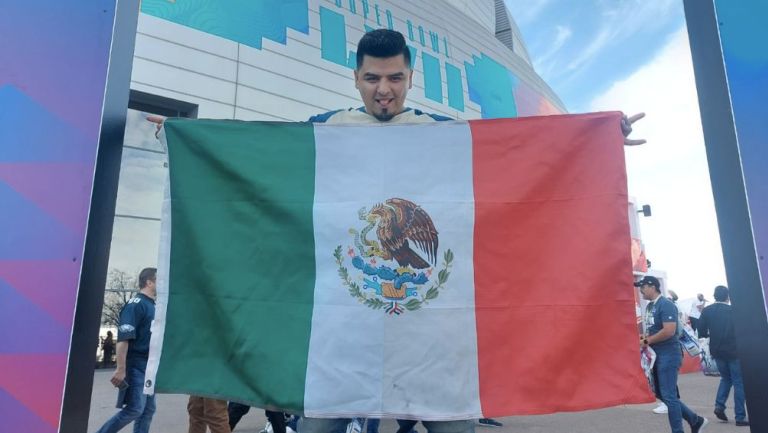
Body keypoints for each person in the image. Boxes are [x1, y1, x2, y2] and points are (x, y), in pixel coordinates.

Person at [148, 27, 644, 433]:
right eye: (371, 78)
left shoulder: (442, 134)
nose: (383, 89)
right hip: (341, 339)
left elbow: (529, 154)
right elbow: (258, 159)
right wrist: (182, 137)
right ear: (355, 78)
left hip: (430, 340)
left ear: (410, 77)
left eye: (394, 78)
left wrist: (602, 137)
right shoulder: (326, 129)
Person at [637, 276, 708, 433]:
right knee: (661, 394)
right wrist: (643, 339)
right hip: (655, 355)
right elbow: (651, 330)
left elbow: (669, 331)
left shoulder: (666, 304)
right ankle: (695, 421)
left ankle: (679, 430)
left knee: (668, 395)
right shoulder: (650, 307)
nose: (640, 290)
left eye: (642, 286)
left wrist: (646, 341)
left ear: (652, 287)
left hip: (669, 354)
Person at [94, 268, 158, 433]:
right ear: (149, 282)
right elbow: (123, 338)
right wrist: (121, 368)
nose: (162, 284)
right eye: (159, 280)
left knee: (148, 410)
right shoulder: (136, 305)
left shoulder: (153, 305)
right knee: (135, 408)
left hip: (149, 366)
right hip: (136, 363)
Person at [697, 286, 749, 426]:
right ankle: (740, 417)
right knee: (739, 382)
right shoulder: (733, 310)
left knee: (725, 379)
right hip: (734, 350)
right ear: (728, 296)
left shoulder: (707, 311)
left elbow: (701, 331)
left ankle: (719, 405)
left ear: (714, 296)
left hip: (717, 351)